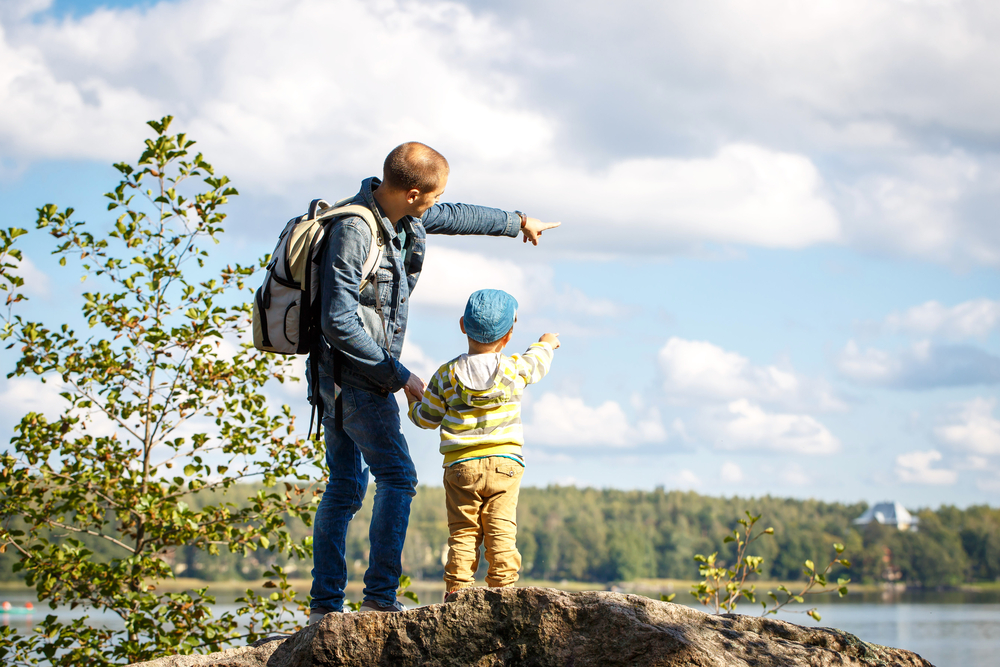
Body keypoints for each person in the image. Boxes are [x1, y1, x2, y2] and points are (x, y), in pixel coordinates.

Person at [309, 143, 560, 621]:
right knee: (397, 479)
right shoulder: (354, 230)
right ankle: (378, 600)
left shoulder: (402, 214)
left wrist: (518, 221)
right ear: (410, 192)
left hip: (345, 378)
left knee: (344, 487)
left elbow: (457, 215)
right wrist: (398, 375)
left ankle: (326, 606)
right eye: (432, 196)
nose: (436, 204)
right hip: (356, 378)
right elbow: (338, 319)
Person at [404, 289, 559, 596]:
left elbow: (426, 419)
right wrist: (547, 342)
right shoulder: (514, 369)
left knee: (463, 532)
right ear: (510, 334)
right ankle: (503, 592)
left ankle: (458, 592)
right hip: (506, 464)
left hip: (461, 467)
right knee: (501, 528)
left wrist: (412, 403)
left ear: (463, 325)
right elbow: (537, 361)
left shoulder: (446, 375)